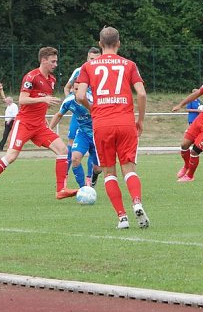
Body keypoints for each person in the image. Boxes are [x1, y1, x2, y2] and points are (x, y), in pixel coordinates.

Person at [0, 47, 77, 204]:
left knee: (63, 150)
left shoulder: (52, 80)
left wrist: (43, 115)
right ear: (43, 60)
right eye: (53, 61)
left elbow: (41, 100)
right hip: (25, 123)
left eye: (56, 61)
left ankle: (61, 190)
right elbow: (22, 99)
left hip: (40, 125)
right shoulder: (31, 76)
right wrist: (43, 100)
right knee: (11, 156)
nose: (56, 64)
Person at [75, 27, 149, 229]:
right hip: (125, 122)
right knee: (129, 168)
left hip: (102, 123)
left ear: (100, 44)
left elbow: (80, 96)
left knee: (109, 172)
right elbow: (141, 94)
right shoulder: (129, 64)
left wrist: (94, 109)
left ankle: (122, 218)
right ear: (118, 43)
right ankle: (137, 202)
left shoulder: (88, 67)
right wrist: (140, 120)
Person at [49, 84, 102, 189]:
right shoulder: (69, 101)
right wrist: (49, 129)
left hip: (98, 134)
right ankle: (84, 189)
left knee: (98, 168)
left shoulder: (92, 99)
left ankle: (94, 176)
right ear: (72, 89)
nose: (77, 91)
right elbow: (59, 115)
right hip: (83, 134)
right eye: (75, 89)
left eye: (80, 89)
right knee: (75, 159)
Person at [63, 46, 102, 183]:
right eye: (91, 59)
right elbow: (67, 88)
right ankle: (65, 177)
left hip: (97, 116)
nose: (93, 62)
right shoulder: (79, 71)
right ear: (87, 58)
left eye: (96, 59)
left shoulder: (102, 73)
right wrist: (73, 104)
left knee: (94, 146)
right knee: (71, 142)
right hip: (80, 115)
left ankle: (91, 177)